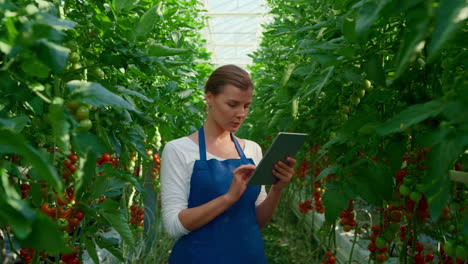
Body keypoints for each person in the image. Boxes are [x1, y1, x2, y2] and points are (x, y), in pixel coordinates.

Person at [160, 64, 296, 264]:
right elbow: (173, 225)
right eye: (232, 105)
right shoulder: (178, 150)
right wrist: (228, 198)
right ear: (209, 98)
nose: (241, 113)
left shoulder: (252, 150)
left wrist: (278, 188)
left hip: (250, 257)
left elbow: (257, 221)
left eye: (246, 106)